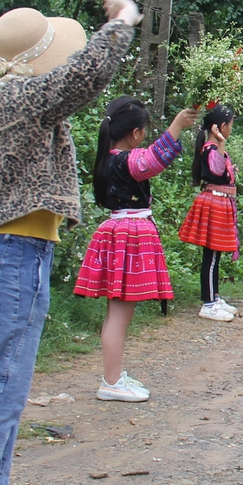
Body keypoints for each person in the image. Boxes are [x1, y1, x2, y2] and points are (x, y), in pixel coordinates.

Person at [0, 0, 141, 485]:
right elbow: (84, 76)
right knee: (2, 384)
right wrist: (122, 22)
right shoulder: (15, 97)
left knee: (11, 383)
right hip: (9, 255)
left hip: (14, 254)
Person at [73, 96, 200, 400]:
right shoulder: (125, 161)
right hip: (129, 234)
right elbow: (152, 161)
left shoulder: (109, 159)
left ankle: (114, 377)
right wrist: (176, 127)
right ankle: (111, 382)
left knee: (117, 315)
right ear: (136, 133)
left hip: (119, 231)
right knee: (118, 316)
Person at [179, 104, 240, 320]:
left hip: (220, 203)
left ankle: (214, 296)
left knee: (215, 255)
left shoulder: (214, 149)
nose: (231, 129)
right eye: (230, 125)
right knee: (211, 255)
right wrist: (221, 143)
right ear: (221, 127)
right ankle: (209, 303)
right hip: (214, 203)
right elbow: (216, 169)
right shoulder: (211, 149)